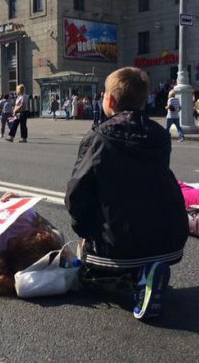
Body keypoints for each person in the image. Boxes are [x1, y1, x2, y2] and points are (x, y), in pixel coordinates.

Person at [65, 67, 188, 320]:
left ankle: (139, 282)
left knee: (88, 277)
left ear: (108, 101)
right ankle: (148, 270)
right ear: (144, 100)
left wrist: (85, 232)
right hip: (169, 238)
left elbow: (76, 194)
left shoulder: (98, 137)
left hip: (118, 243)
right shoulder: (160, 135)